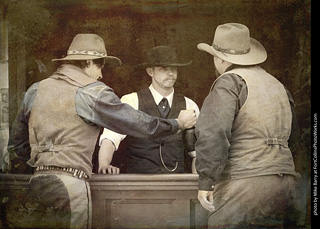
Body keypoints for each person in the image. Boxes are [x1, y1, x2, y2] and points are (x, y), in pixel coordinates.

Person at [5, 34, 196, 229]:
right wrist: (176, 124)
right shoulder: (92, 92)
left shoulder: (36, 90)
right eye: (100, 67)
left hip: (36, 183)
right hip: (71, 186)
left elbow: (16, 145)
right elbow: (138, 125)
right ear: (88, 62)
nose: (101, 75)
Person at [195, 23, 300, 228]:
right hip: (286, 185)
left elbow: (214, 133)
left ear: (221, 58)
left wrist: (206, 181)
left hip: (244, 185)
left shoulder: (229, 82)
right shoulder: (278, 85)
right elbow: (294, 138)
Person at [99, 46, 199, 175]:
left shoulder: (189, 105)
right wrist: (104, 164)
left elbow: (198, 152)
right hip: (139, 184)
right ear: (150, 71)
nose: (170, 73)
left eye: (174, 69)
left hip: (176, 184)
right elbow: (110, 138)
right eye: (164, 69)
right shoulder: (131, 101)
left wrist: (196, 182)